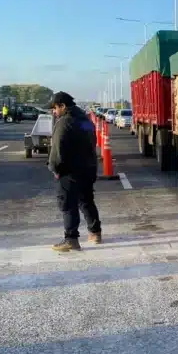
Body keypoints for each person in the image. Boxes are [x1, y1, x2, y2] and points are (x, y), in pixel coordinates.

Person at [47, 91, 102, 252]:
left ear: (63, 106)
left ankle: (71, 239)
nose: (53, 112)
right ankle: (95, 232)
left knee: (68, 204)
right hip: (88, 168)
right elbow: (93, 140)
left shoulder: (64, 122)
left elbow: (57, 150)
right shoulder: (85, 120)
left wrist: (55, 169)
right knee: (86, 200)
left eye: (55, 108)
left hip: (70, 171)